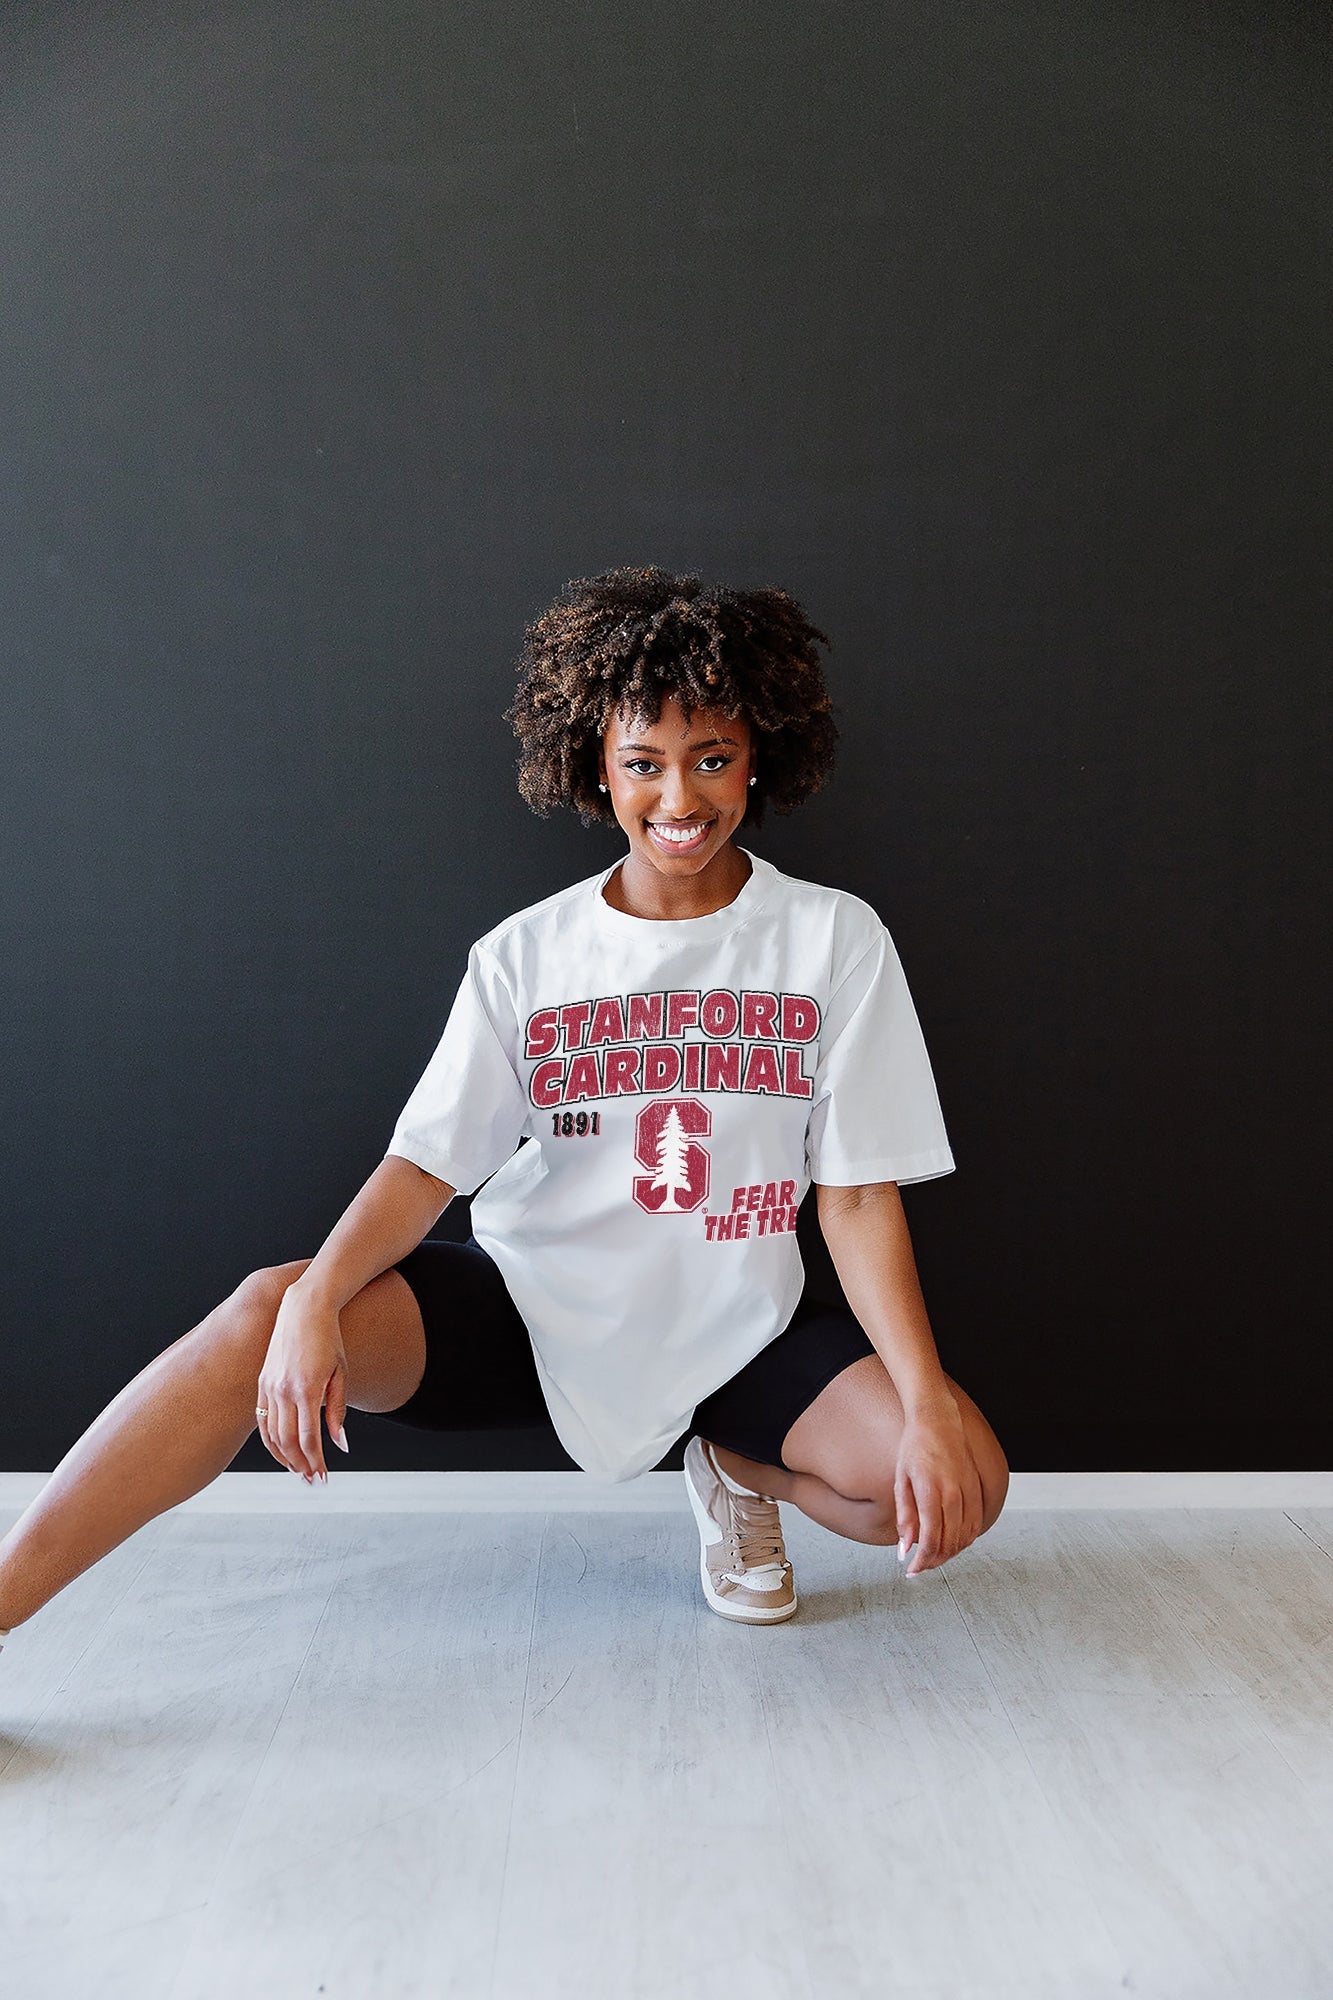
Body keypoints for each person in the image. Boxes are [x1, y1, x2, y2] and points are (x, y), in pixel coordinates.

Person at [0, 565, 1008, 1647]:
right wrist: (312, 1299)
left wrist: (925, 1400)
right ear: (597, 767)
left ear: (757, 753)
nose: (679, 799)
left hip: (739, 1322)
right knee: (263, 1310)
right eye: (643, 763)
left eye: (711, 758)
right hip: (535, 1311)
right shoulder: (527, 955)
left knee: (958, 1484)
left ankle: (732, 1465)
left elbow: (854, 1196)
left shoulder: (833, 938)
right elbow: (427, 1164)